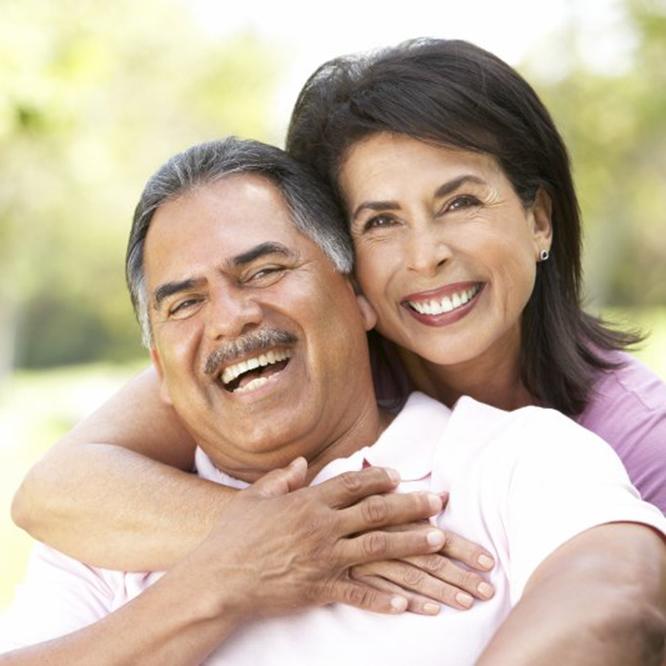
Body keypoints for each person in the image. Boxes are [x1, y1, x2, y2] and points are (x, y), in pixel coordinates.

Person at [11, 39, 666, 610]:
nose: (425, 254)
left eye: (459, 202)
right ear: (340, 260)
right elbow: (55, 491)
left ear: (539, 219)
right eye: (380, 221)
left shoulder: (634, 435)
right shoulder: (306, 357)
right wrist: (301, 536)